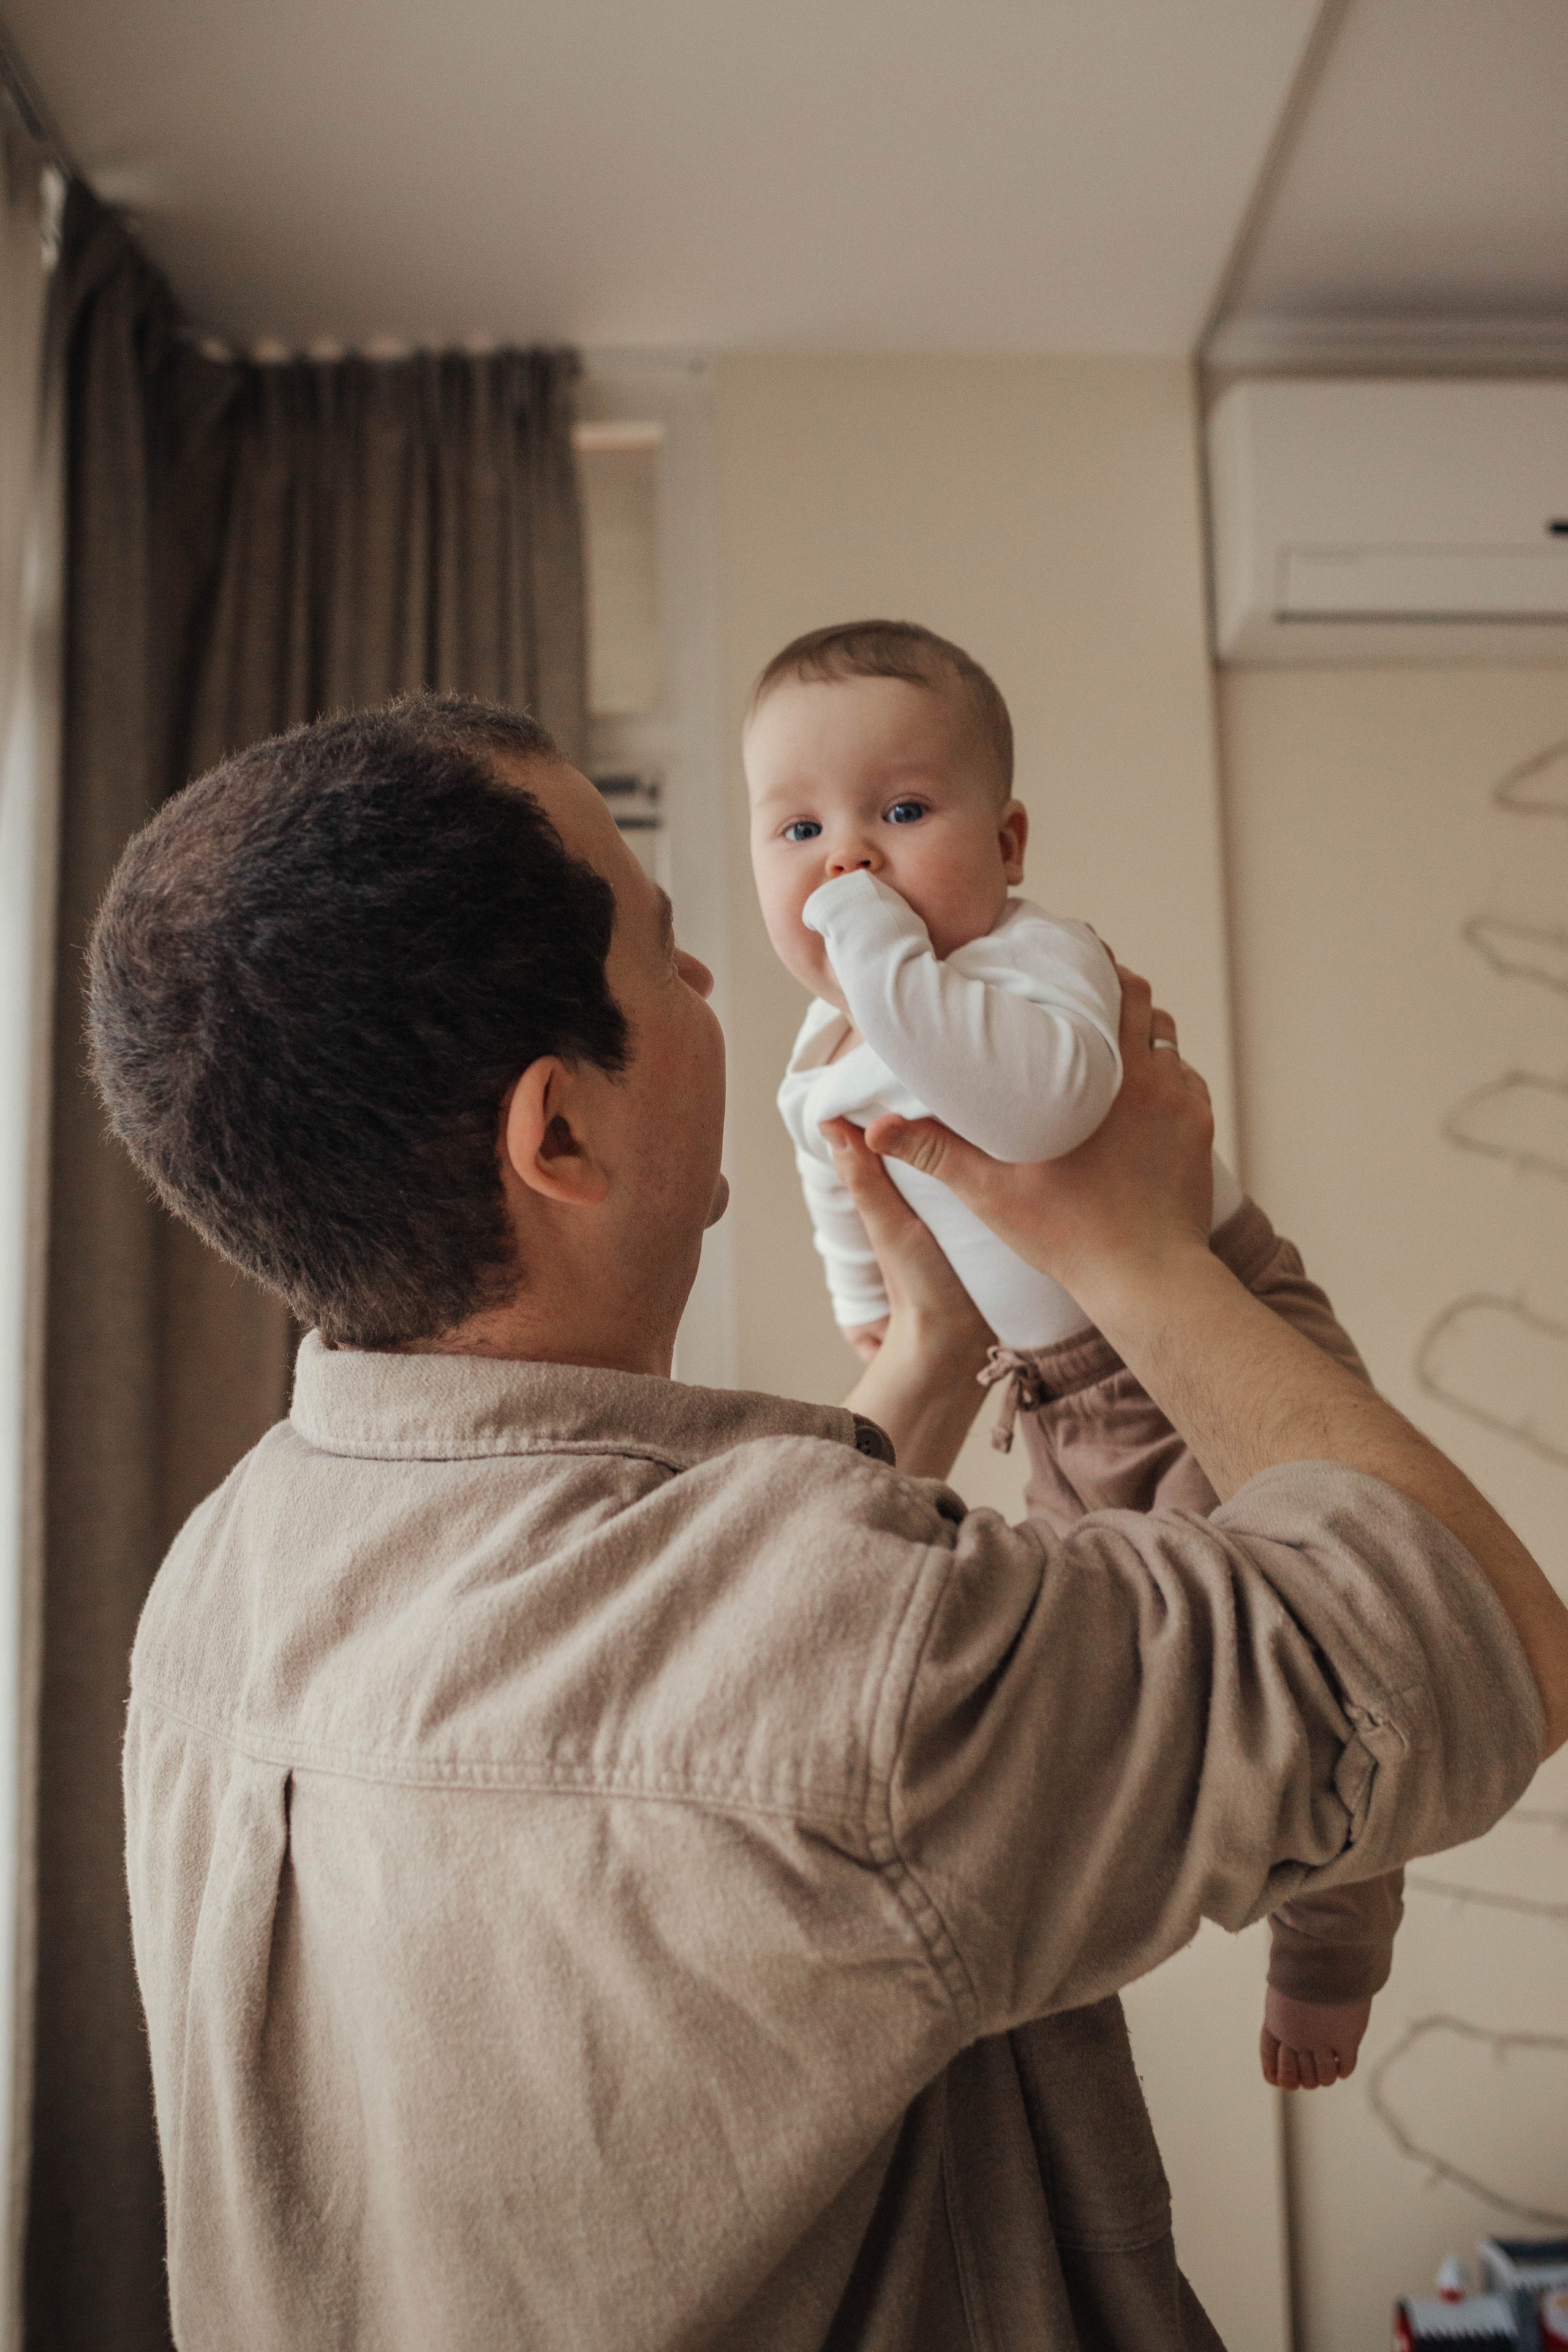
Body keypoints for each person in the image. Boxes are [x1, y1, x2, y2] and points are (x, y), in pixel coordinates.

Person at [96, 693, 1567, 2352]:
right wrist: (1138, 1247)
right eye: (663, 953)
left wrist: (930, 1352)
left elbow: (671, 1714)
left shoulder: (216, 1585)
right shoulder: (854, 1677)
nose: (712, 974)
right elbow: (1480, 1638)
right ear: (557, 1130)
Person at [745, 618, 1401, 2093]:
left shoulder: (1035, 962)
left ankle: (1331, 1949)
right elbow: (838, 1180)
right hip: (1053, 1405)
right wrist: (866, 1301)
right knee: (1094, 1680)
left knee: (1334, 1660)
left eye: (898, 812)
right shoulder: (816, 1056)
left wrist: (870, 942)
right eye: (797, 831)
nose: (848, 860)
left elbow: (1031, 1114)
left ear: (1006, 841)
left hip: (1216, 1333)